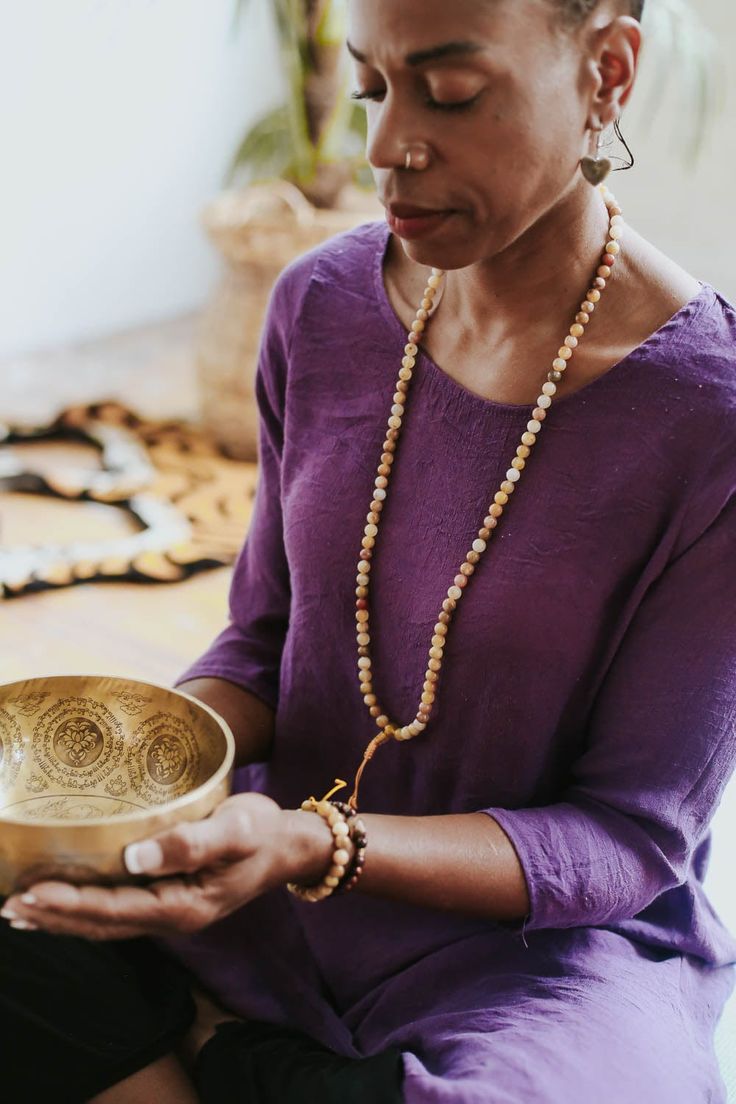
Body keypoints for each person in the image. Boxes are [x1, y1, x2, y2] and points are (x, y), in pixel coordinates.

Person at [2, 0, 735, 1100]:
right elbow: (260, 640)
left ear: (606, 72)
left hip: (527, 959)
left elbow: (627, 842)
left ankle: (189, 1051)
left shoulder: (706, 419)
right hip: (248, 881)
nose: (387, 145)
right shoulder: (320, 304)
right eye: (369, 86)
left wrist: (319, 846)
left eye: (449, 92)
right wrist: (126, 784)